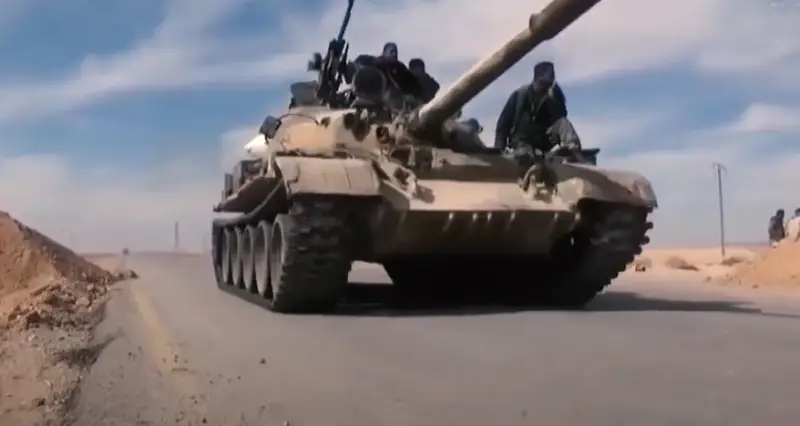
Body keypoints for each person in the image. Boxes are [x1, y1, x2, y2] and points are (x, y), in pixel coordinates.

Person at [494, 61, 581, 161]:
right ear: (540, 76)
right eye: (551, 74)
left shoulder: (553, 95)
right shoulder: (520, 95)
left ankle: (572, 150)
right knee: (525, 155)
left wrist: (556, 100)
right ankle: (532, 156)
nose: (553, 77)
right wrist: (499, 150)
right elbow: (503, 124)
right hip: (522, 142)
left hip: (544, 140)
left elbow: (561, 118)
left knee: (563, 123)